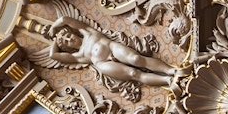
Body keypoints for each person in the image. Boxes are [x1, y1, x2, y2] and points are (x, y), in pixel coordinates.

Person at [48, 15, 180, 87]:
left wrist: (54, 28)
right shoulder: (78, 56)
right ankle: (167, 80)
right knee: (133, 73)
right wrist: (55, 39)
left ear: (72, 32)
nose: (68, 39)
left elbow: (64, 19)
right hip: (103, 64)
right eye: (65, 41)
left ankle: (169, 70)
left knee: (137, 59)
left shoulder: (87, 31)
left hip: (111, 47)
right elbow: (53, 55)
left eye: (67, 35)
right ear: (67, 48)